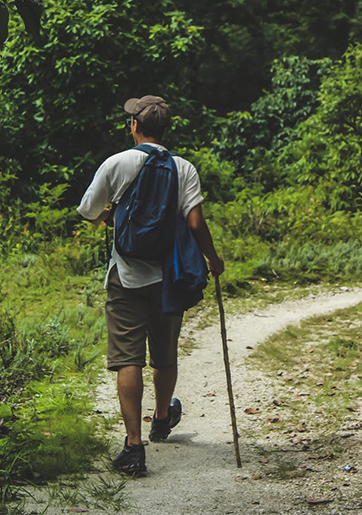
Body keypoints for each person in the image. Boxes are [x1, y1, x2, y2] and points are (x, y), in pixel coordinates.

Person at [77, 95, 224, 474]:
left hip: (125, 276)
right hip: (168, 277)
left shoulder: (117, 163)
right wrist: (213, 258)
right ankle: (161, 418)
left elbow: (87, 211)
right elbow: (194, 223)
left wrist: (110, 219)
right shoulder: (183, 168)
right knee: (165, 351)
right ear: (165, 129)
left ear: (135, 126)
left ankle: (133, 446)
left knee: (128, 358)